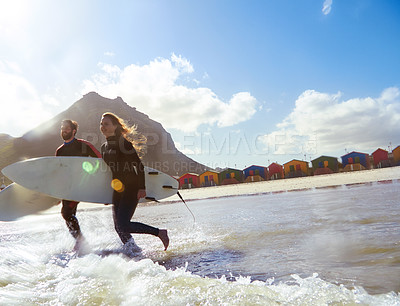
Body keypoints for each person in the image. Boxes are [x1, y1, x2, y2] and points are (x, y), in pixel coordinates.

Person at [100, 112, 169, 251]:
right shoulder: (104, 147)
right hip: (117, 190)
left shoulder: (123, 143)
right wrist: (106, 194)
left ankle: (160, 232)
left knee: (123, 225)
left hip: (131, 188)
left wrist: (141, 187)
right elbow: (109, 172)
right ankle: (134, 250)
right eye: (101, 124)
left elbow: (138, 166)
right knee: (118, 227)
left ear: (115, 126)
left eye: (106, 124)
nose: (103, 127)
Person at [56, 119, 101, 246]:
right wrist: (57, 192)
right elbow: (60, 172)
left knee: (66, 212)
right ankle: (79, 242)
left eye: (67, 128)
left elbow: (100, 160)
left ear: (74, 131)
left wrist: (91, 176)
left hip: (80, 185)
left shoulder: (83, 145)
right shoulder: (60, 151)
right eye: (62, 128)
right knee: (68, 214)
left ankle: (81, 242)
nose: (64, 130)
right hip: (68, 188)